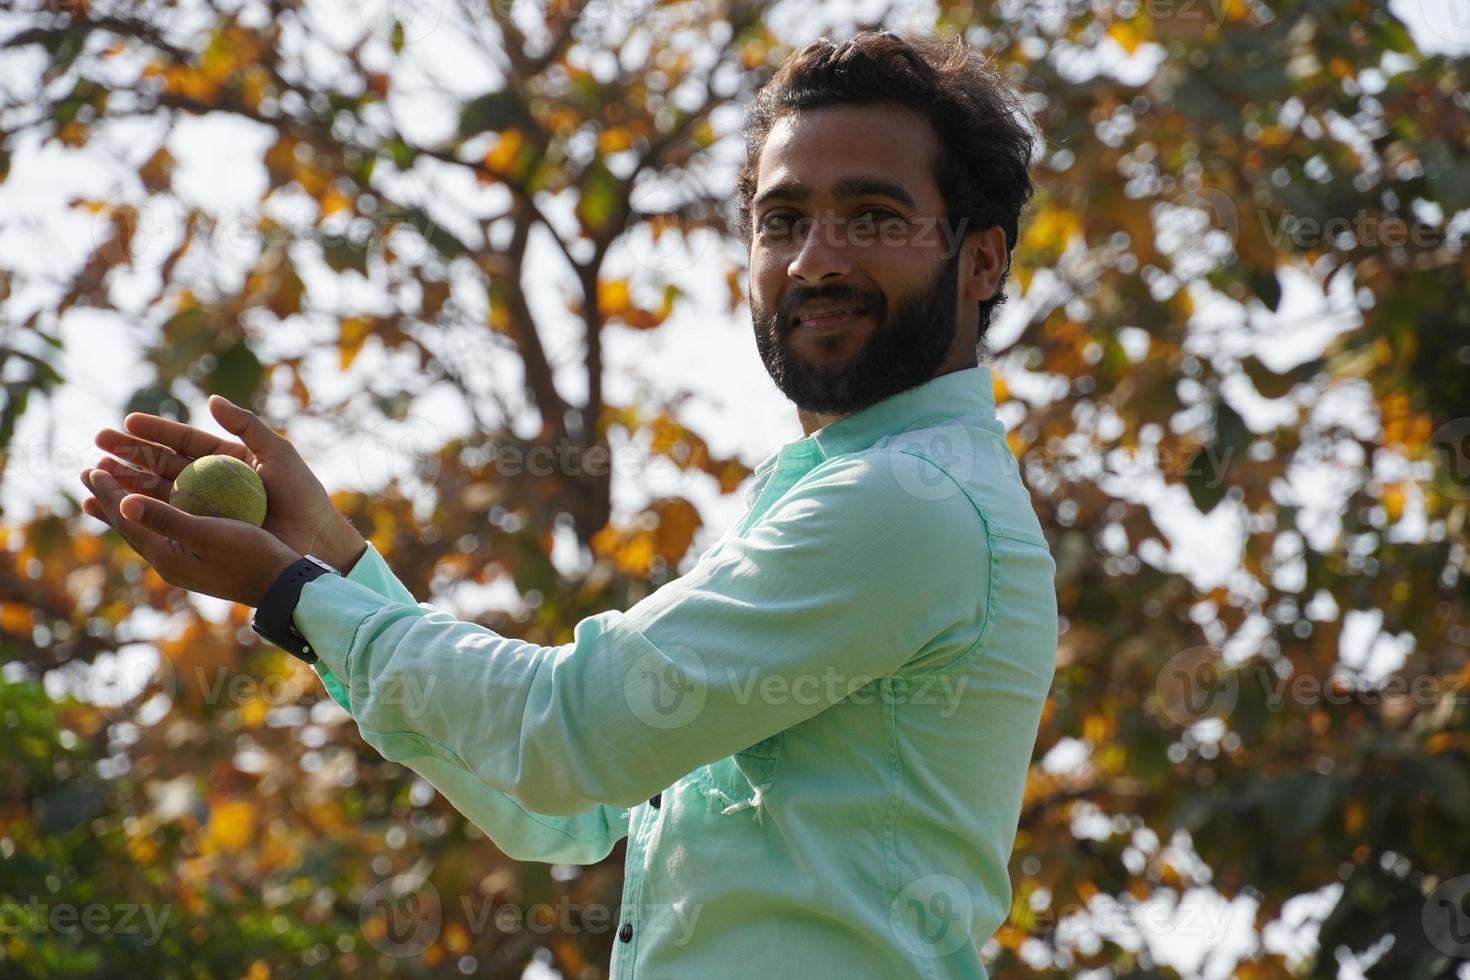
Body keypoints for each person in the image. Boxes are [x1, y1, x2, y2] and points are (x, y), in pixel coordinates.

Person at [80, 29, 1057, 979]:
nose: (814, 261)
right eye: (782, 218)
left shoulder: (907, 500)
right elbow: (568, 810)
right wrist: (330, 564)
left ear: (981, 260)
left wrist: (298, 594)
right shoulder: (851, 490)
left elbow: (569, 734)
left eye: (875, 217)